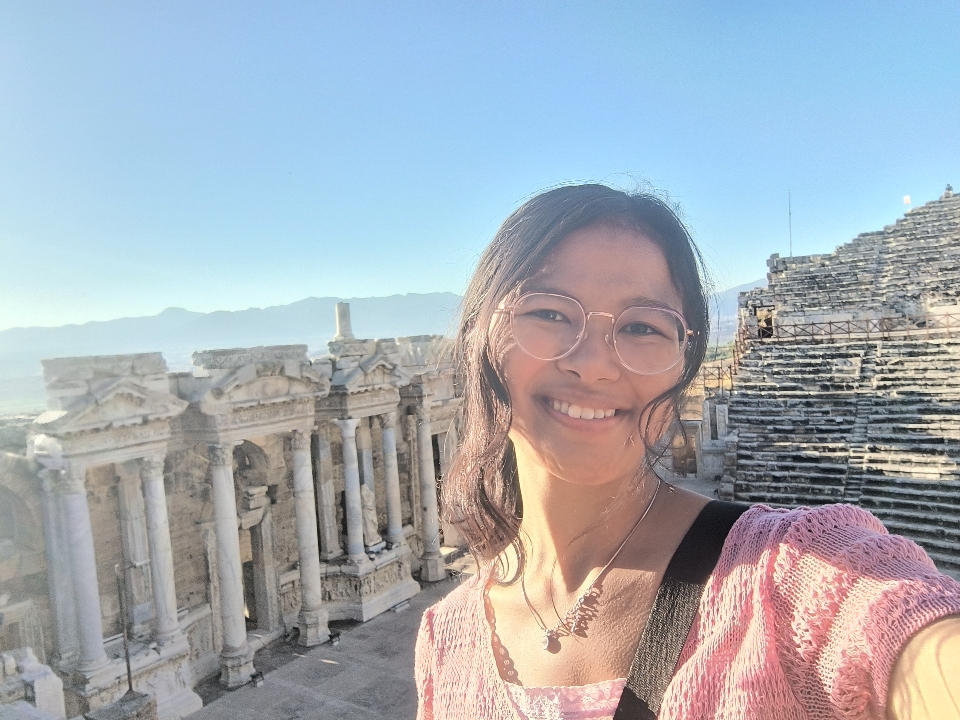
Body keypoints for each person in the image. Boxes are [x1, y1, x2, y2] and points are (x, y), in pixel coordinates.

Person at [414, 184, 960, 720]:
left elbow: (900, 625)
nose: (593, 364)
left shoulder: (795, 576)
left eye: (642, 326)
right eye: (549, 313)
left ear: (683, 365)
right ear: (478, 337)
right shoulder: (444, 643)